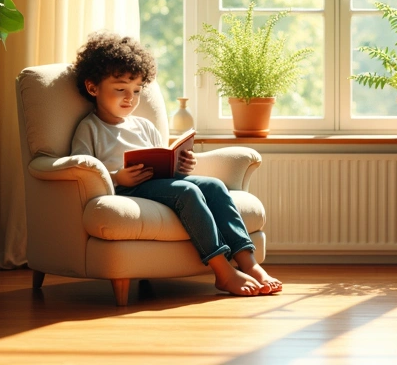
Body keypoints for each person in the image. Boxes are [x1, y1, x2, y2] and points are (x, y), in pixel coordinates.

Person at [69, 31, 282, 296]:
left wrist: (181, 165)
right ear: (93, 88)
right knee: (188, 191)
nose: (130, 98)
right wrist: (117, 177)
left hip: (158, 184)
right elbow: (81, 169)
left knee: (214, 186)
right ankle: (223, 272)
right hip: (125, 190)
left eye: (136, 90)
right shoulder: (89, 128)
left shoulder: (143, 125)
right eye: (120, 89)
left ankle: (249, 264)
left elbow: (162, 161)